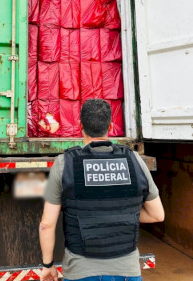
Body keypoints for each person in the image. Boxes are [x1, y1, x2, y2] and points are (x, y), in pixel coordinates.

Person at [39, 99, 164, 281]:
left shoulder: (64, 163)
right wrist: (120, 214)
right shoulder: (134, 160)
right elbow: (157, 215)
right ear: (111, 127)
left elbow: (46, 224)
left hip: (80, 272)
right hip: (127, 272)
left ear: (80, 126)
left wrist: (48, 265)